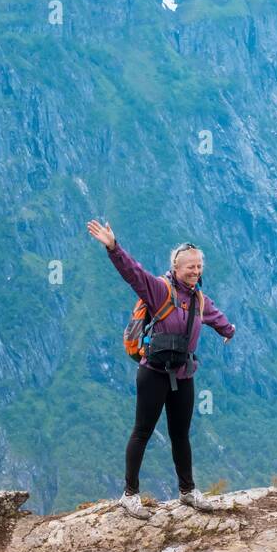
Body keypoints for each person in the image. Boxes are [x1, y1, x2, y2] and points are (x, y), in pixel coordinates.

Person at [87, 219, 235, 515]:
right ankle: (130, 494)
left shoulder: (199, 299)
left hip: (183, 375)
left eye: (198, 266)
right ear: (176, 268)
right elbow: (133, 273)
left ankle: (188, 491)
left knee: (180, 434)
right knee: (142, 432)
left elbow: (215, 316)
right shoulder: (158, 289)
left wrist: (227, 330)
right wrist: (114, 248)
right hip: (153, 374)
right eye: (189, 267)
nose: (195, 271)